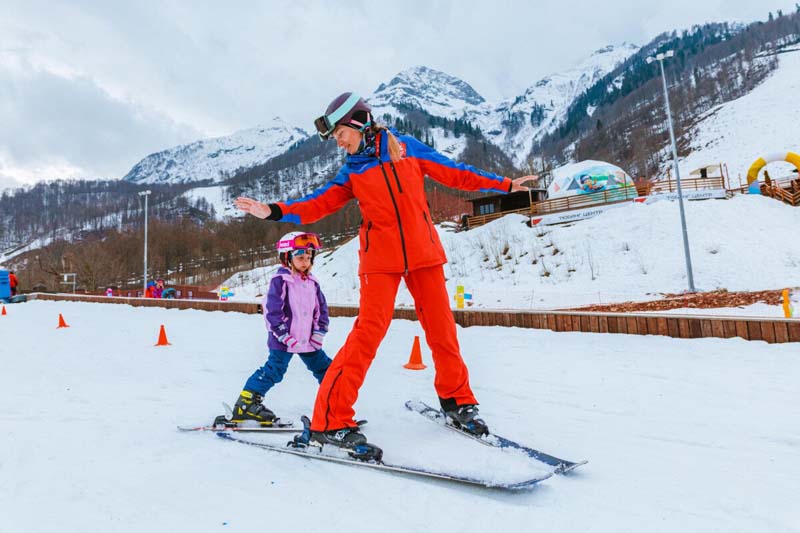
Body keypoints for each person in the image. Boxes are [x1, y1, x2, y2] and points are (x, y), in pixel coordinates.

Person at [235, 92, 536, 453]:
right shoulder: (352, 170)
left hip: (424, 254)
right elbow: (318, 203)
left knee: (442, 330)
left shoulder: (405, 149)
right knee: (368, 334)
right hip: (380, 260)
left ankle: (457, 401)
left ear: (358, 123)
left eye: (340, 134)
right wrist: (274, 210)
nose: (339, 142)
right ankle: (331, 420)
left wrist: (504, 185)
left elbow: (456, 173)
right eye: (334, 138)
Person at [230, 231, 332, 426]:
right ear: (287, 258)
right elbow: (272, 311)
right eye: (300, 257)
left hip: (309, 341)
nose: (306, 261)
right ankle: (246, 404)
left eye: (309, 257)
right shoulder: (281, 280)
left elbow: (322, 310)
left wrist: (319, 333)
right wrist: (283, 335)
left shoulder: (313, 283)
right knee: (274, 370)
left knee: (327, 370)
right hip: (283, 340)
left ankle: (334, 406)